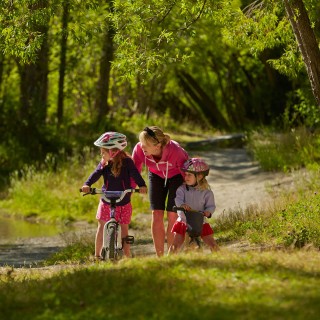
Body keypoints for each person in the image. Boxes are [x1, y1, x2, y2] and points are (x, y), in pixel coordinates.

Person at [81, 132, 147, 259]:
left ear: (113, 151)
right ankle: (97, 256)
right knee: (101, 227)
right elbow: (96, 173)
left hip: (123, 200)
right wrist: (87, 184)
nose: (101, 155)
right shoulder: (104, 163)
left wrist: (142, 185)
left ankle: (127, 256)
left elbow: (135, 174)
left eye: (103, 152)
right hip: (107, 199)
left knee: (124, 229)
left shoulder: (127, 162)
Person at [132, 126, 189, 256]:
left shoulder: (176, 151)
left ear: (157, 146)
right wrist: (129, 189)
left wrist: (190, 190)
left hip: (177, 177)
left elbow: (186, 174)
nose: (141, 147)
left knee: (172, 215)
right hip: (156, 175)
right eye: (141, 143)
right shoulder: (139, 150)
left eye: (145, 144)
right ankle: (160, 257)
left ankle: (171, 256)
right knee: (156, 214)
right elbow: (135, 171)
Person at [168, 158, 219, 254]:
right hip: (183, 221)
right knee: (175, 245)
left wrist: (208, 212)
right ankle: (166, 262)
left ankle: (222, 260)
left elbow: (211, 206)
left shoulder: (207, 193)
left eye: (189, 175)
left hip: (200, 221)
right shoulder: (182, 189)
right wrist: (182, 205)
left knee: (212, 243)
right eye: (185, 174)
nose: (186, 177)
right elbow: (177, 199)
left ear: (199, 176)